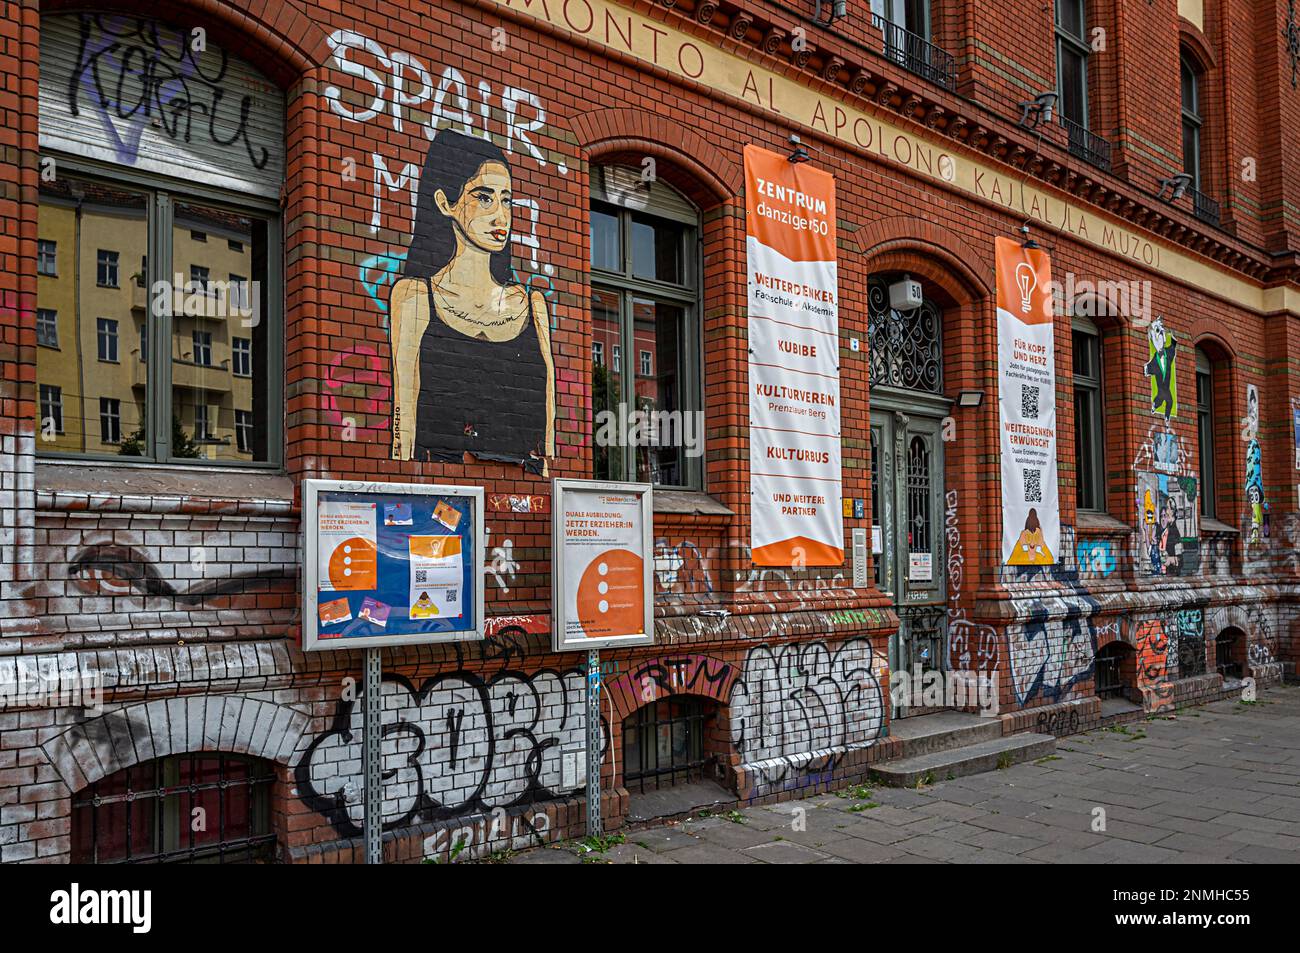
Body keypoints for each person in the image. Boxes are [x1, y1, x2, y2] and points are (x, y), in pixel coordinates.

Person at [388, 131, 555, 472]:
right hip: (436, 490)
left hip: (525, 500)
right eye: (484, 197)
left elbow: (548, 440)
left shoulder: (532, 306)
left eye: (506, 200)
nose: (500, 216)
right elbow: (403, 427)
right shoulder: (416, 297)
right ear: (444, 202)